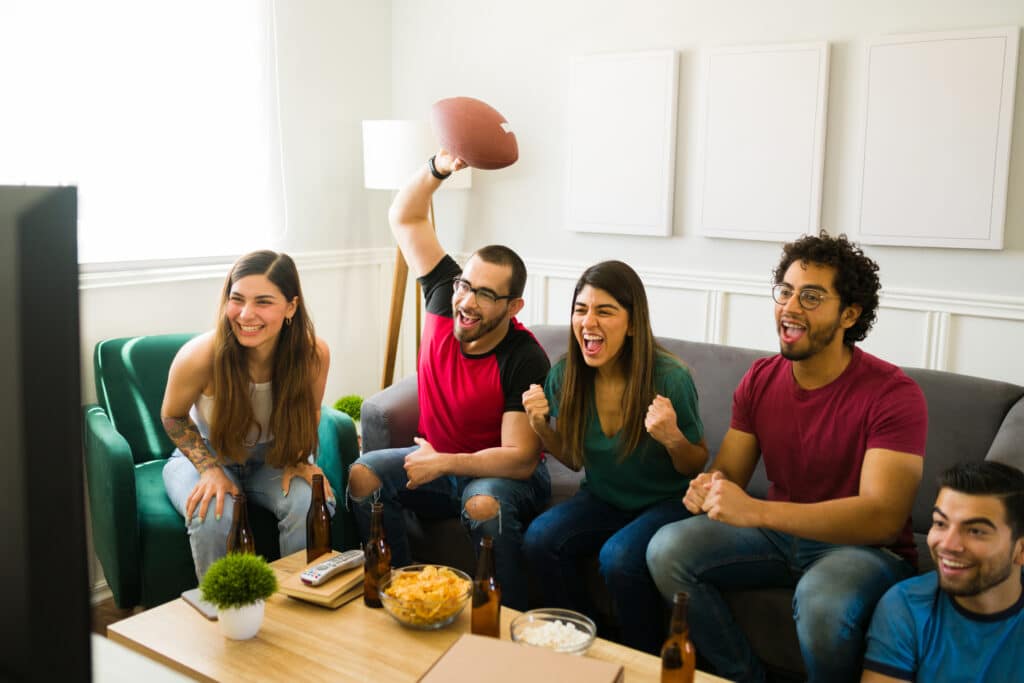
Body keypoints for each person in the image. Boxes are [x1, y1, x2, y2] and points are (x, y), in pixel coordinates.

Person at [646, 231, 928, 683]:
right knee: (666, 548)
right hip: (776, 537)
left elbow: (881, 516)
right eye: (785, 291)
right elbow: (730, 473)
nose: (791, 306)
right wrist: (708, 488)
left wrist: (757, 510)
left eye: (812, 296)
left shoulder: (894, 394)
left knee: (823, 601)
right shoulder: (760, 378)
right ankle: (745, 675)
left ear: (849, 314)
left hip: (864, 549)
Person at [347, 150, 551, 610]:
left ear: (512, 307)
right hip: (437, 462)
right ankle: (402, 595)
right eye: (465, 285)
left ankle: (507, 617)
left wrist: (445, 462)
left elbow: (520, 459)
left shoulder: (524, 357)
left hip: (500, 475)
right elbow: (405, 215)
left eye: (485, 293)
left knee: (484, 506)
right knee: (363, 476)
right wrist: (438, 168)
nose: (467, 300)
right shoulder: (443, 295)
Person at [521, 260, 708, 654]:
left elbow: (695, 464)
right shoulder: (565, 375)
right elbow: (573, 459)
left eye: (604, 311)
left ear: (634, 323)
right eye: (581, 309)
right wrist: (540, 427)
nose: (589, 322)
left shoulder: (670, 377)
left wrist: (672, 437)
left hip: (667, 502)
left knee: (619, 558)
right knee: (539, 539)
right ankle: (585, 646)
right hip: (604, 498)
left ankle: (643, 658)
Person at [161, 250, 332, 578]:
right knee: (213, 512)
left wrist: (300, 457)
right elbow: (173, 416)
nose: (246, 314)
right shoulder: (200, 355)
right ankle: (223, 614)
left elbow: (310, 410)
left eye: (264, 302)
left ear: (291, 307)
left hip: (274, 456)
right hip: (209, 454)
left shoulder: (314, 353)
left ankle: (300, 604)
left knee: (309, 501)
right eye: (237, 299)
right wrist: (209, 470)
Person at [862, 461, 1024, 683]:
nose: (947, 544)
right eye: (940, 523)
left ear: (1021, 550)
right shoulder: (905, 607)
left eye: (976, 531)